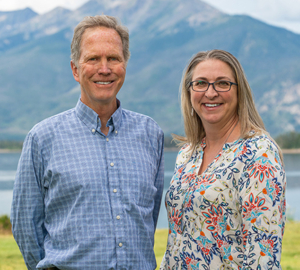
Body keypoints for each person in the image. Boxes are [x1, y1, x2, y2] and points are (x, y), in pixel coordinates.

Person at [11, 15, 164, 270]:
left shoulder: (150, 134)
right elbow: (26, 226)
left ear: (124, 65)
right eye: (93, 58)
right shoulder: (42, 138)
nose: (104, 69)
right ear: (75, 69)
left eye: (113, 58)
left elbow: (150, 216)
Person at [160, 49, 286, 269]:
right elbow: (177, 240)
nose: (211, 93)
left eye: (222, 83)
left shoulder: (258, 154)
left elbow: (263, 255)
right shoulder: (187, 154)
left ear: (239, 91)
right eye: (200, 83)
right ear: (189, 92)